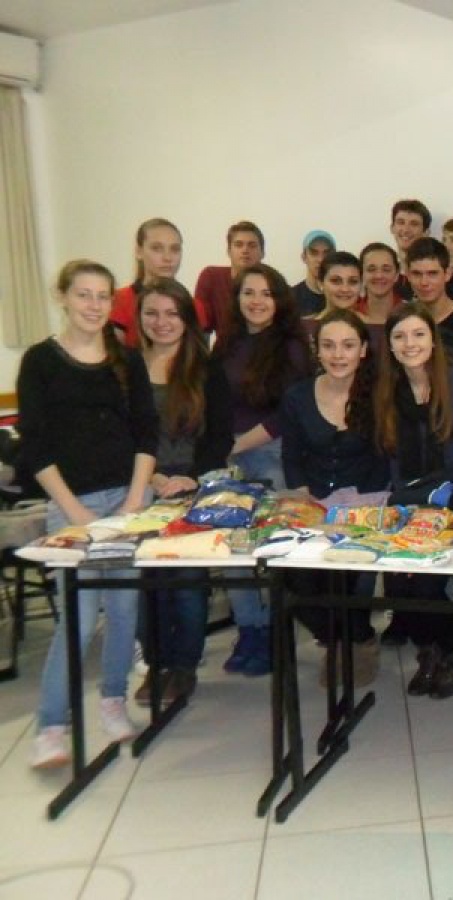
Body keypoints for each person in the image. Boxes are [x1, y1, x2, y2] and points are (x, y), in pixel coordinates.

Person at [20, 260, 157, 768]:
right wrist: (74, 511)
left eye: (103, 296)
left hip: (126, 501)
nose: (94, 305)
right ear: (63, 296)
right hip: (69, 505)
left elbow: (146, 432)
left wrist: (134, 500)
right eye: (84, 294)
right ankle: (52, 726)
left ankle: (113, 701)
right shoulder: (40, 361)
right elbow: (35, 446)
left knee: (122, 611)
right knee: (77, 619)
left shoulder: (126, 360)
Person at [375, 304, 453, 699]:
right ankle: (430, 651)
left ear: (433, 339)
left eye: (418, 334)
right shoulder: (386, 387)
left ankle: (452, 650)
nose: (410, 343)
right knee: (400, 585)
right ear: (389, 345)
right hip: (407, 498)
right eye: (400, 336)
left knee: (424, 581)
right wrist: (398, 509)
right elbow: (389, 454)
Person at [134, 279, 233, 706]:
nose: (162, 322)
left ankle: (184, 666)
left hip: (195, 486)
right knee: (148, 584)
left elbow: (220, 435)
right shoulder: (127, 368)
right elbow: (123, 434)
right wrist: (153, 478)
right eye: (152, 313)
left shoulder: (207, 369)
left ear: (187, 319)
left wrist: (191, 478)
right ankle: (156, 664)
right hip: (142, 486)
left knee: (188, 583)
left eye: (172, 313)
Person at [214, 263, 313, 675]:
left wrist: (236, 444)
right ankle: (249, 630)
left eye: (266, 293)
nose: (256, 301)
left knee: (270, 550)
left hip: (271, 454)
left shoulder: (292, 347)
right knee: (233, 549)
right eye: (248, 292)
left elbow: (285, 414)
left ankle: (273, 632)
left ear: (279, 300)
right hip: (230, 461)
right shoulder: (226, 344)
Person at [281, 310, 389, 686]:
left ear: (363, 350)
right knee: (294, 582)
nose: (338, 355)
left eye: (347, 345)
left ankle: (356, 641)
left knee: (350, 581)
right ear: (317, 350)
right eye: (328, 345)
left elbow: (384, 460)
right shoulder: (297, 396)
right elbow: (291, 458)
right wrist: (305, 503)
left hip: (366, 506)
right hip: (312, 503)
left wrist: (358, 513)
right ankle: (343, 640)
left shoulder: (379, 395)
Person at [110, 218, 198, 347]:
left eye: (175, 249)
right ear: (139, 252)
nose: (167, 258)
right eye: (157, 248)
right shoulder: (118, 301)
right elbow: (112, 354)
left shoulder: (195, 306)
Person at [406, 237, 453, 362]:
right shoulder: (400, 321)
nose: (424, 282)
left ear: (447, 274)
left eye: (432, 274)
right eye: (417, 274)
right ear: (408, 275)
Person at [195, 220, 265, 341]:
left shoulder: (274, 284)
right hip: (225, 350)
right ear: (228, 251)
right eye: (238, 245)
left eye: (252, 245)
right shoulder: (212, 277)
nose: (245, 250)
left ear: (262, 253)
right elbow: (200, 327)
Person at [301, 251, 363, 342]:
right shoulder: (304, 327)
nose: (345, 289)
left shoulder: (375, 326)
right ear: (320, 283)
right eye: (336, 281)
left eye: (353, 282)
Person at [389, 198, 431, 301]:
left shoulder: (434, 275)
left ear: (426, 232)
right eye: (401, 222)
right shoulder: (383, 274)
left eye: (414, 224)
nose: (406, 230)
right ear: (392, 228)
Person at [292, 230, 336, 318]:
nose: (320, 259)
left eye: (326, 253)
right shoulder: (291, 297)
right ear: (304, 257)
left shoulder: (343, 295)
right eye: (314, 253)